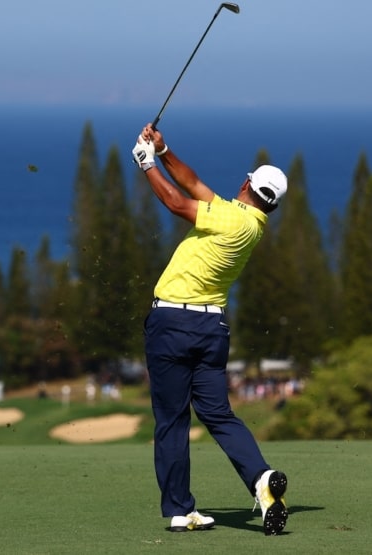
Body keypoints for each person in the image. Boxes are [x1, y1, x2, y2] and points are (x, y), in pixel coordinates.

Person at [131, 123, 289, 536]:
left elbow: (176, 201)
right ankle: (260, 479)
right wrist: (164, 152)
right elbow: (196, 185)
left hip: (172, 324)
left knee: (171, 421)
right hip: (211, 327)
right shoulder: (249, 223)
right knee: (218, 413)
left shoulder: (230, 220)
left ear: (246, 184)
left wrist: (145, 163)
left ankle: (181, 510)